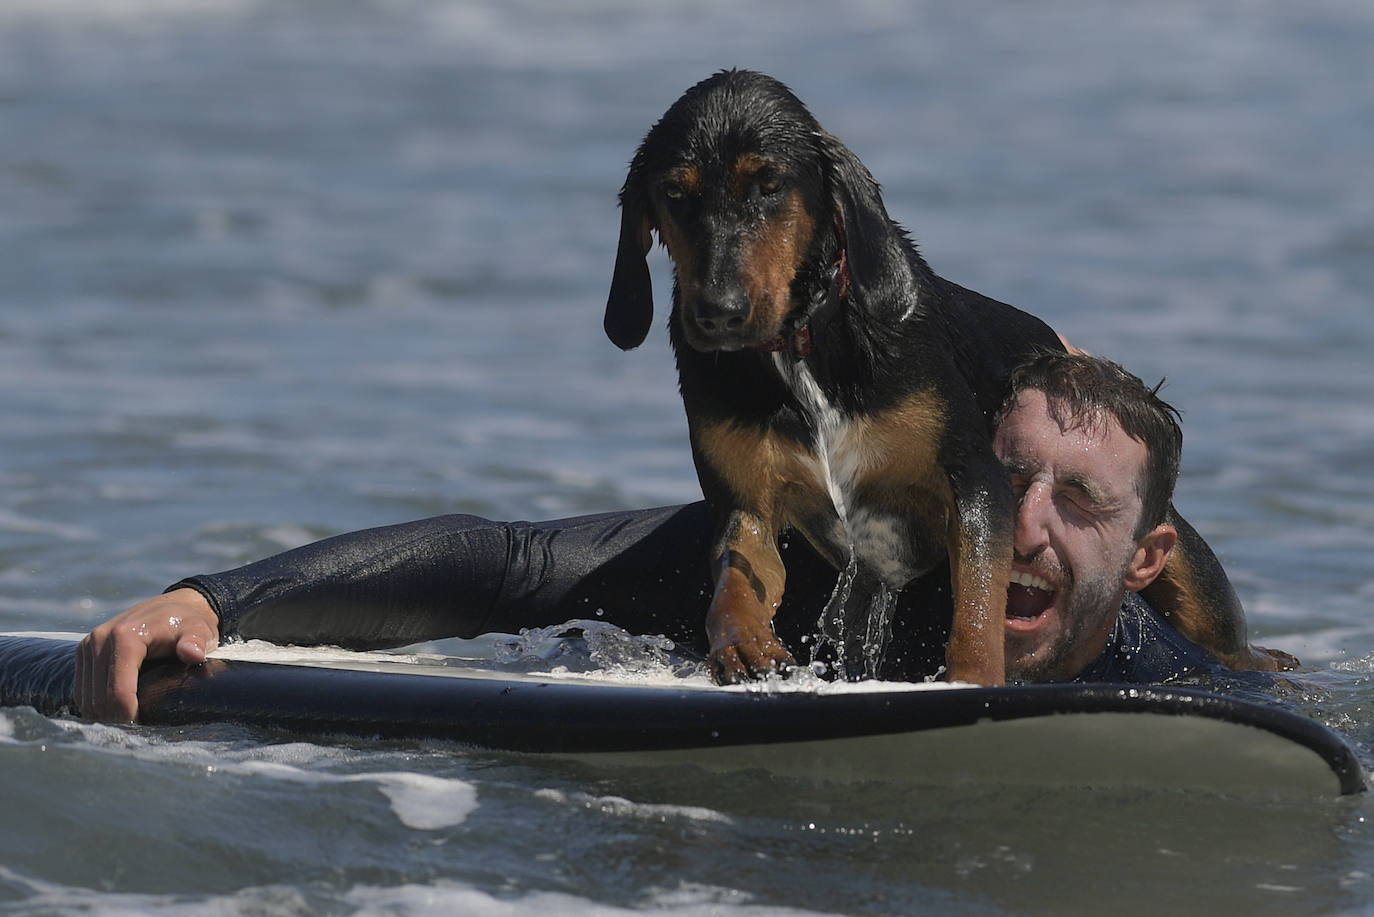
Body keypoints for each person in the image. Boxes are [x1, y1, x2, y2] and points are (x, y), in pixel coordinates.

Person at [76, 352, 1272, 722]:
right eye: (1004, 481)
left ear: (1150, 557)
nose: (1024, 529)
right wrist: (212, 601)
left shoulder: (1177, 697)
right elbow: (510, 566)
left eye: (1081, 502)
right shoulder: (826, 573)